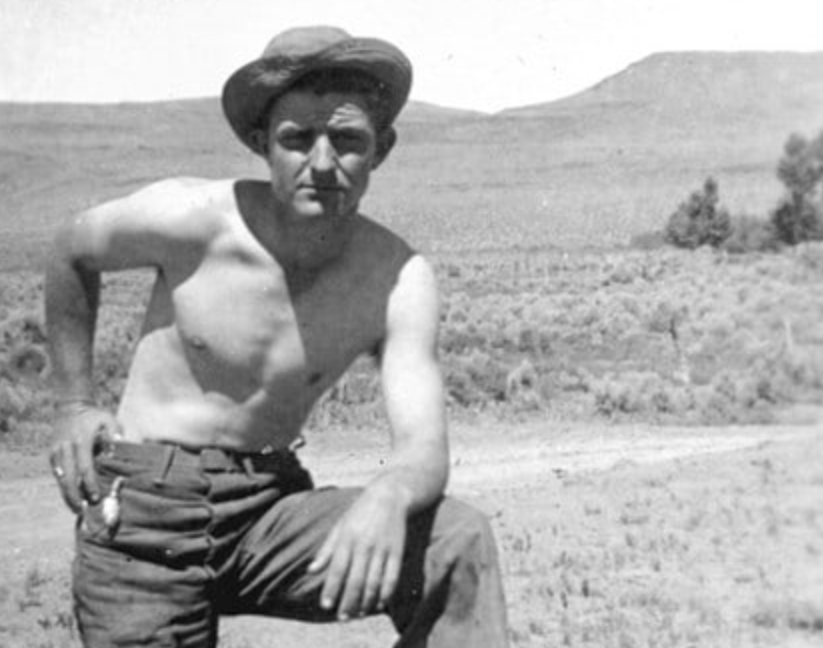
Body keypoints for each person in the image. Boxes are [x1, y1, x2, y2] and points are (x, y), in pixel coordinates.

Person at [44, 26, 509, 648]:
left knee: (456, 541)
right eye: (297, 139)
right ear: (263, 143)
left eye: (347, 140)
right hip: (145, 522)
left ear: (382, 148)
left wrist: (389, 494)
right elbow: (72, 248)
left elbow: (424, 446)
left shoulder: (396, 278)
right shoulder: (193, 220)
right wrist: (74, 404)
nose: (322, 163)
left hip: (267, 512)